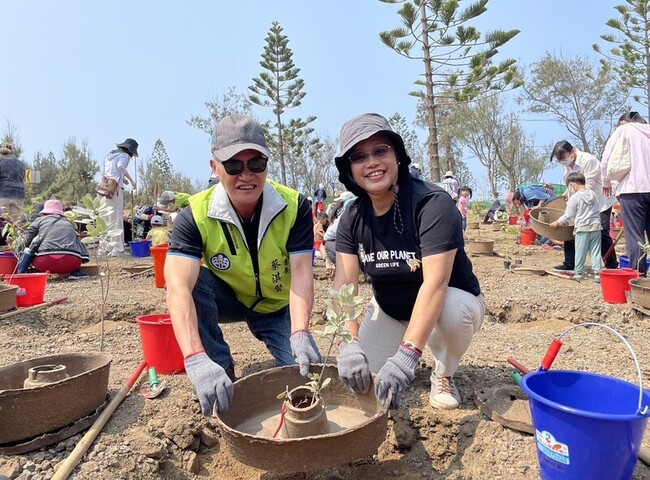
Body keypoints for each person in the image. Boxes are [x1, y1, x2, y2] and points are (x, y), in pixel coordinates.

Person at [165, 114, 321, 416]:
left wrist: (300, 331)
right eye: (234, 166)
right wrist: (195, 357)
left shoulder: (294, 206)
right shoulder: (195, 215)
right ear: (215, 168)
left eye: (256, 164)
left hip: (277, 307)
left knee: (304, 376)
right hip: (231, 298)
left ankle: (288, 340)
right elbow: (177, 287)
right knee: (193, 280)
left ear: (266, 164)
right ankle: (219, 370)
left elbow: (302, 271)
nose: (246, 176)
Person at [332, 113, 484, 411]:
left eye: (380, 151)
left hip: (449, 301)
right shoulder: (351, 217)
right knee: (366, 382)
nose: (372, 162)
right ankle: (397, 347)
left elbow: (436, 283)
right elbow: (344, 287)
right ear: (350, 170)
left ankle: (444, 373)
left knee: (451, 310)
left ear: (397, 156)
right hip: (391, 310)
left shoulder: (432, 204)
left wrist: (407, 355)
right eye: (359, 156)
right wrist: (348, 342)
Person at [550, 140, 617, 272]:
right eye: (560, 160)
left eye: (563, 157)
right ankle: (570, 262)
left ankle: (612, 265)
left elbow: (589, 186)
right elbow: (572, 183)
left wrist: (575, 200)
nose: (563, 161)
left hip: (600, 199)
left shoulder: (588, 160)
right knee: (571, 228)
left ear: (572, 151)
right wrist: (567, 192)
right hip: (579, 200)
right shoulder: (568, 166)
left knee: (602, 231)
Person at [601, 111, 650, 276]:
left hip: (632, 189)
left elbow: (607, 158)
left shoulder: (624, 130)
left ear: (623, 122)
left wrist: (606, 181)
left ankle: (639, 274)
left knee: (635, 234)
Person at [550, 172, 602, 283]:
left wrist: (557, 222)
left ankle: (579, 273)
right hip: (596, 227)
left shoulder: (575, 197)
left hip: (582, 228)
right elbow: (598, 209)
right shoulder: (593, 194)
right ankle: (597, 274)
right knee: (596, 252)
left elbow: (568, 215)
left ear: (572, 184)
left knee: (580, 251)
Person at [21, 200, 89, 276]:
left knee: (30, 248)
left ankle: (24, 271)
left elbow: (26, 239)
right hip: (71, 263)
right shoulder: (68, 223)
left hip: (44, 262)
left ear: (44, 212)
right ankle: (76, 272)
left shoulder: (39, 220)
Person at [100, 138, 138, 256]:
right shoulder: (125, 156)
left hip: (104, 187)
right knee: (116, 218)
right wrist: (131, 181)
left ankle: (104, 248)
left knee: (105, 218)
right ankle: (117, 248)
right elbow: (121, 166)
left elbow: (111, 171)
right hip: (114, 189)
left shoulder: (110, 154)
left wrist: (123, 179)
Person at [0, 143, 26, 220]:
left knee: (2, 221)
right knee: (16, 222)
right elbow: (23, 178)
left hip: (3, 193)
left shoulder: (1, 161)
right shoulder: (21, 164)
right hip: (19, 194)